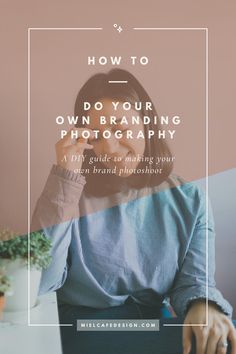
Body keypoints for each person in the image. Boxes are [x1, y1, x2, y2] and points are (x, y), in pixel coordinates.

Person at [32, 69, 236, 354]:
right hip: (85, 329)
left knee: (223, 335)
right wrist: (64, 178)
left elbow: (195, 282)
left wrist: (205, 306)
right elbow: (40, 280)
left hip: (152, 323)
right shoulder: (69, 195)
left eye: (119, 129)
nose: (110, 148)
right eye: (97, 136)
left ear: (147, 123)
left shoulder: (190, 200)